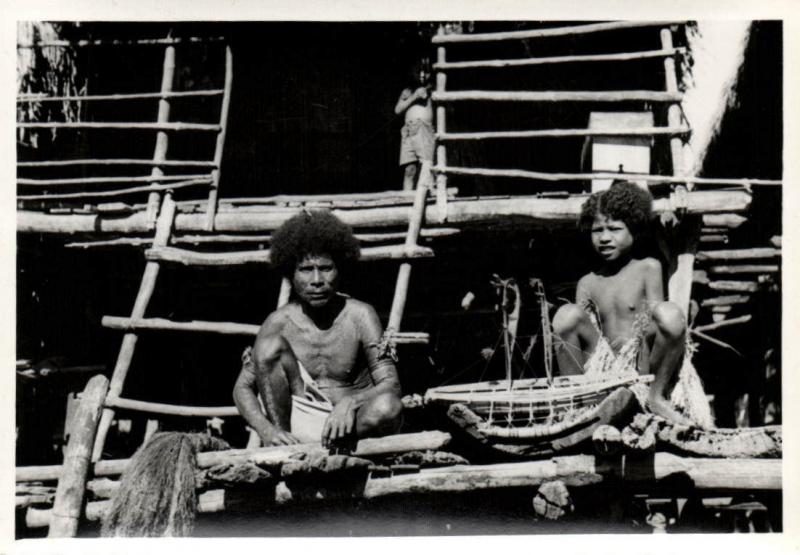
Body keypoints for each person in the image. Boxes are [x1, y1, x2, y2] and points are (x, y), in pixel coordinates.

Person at [233, 211, 403, 447]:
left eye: (326, 268)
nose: (317, 280)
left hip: (353, 425)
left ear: (340, 269)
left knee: (389, 407)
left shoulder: (360, 315)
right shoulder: (278, 322)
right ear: (291, 274)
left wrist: (349, 403)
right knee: (269, 346)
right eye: (305, 269)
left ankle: (336, 449)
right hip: (297, 426)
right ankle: (285, 448)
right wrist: (267, 430)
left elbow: (391, 384)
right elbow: (242, 388)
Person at [551, 181, 713, 428]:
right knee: (565, 315)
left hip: (641, 365)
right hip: (603, 368)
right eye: (598, 230)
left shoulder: (648, 267)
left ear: (634, 231)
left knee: (669, 313)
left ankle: (656, 397)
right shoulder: (588, 282)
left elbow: (656, 323)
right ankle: (573, 402)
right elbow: (582, 338)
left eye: (615, 229)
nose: (605, 237)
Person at [395, 60, 435, 191]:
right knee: (409, 169)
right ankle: (407, 201)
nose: (422, 75)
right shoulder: (407, 91)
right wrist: (414, 97)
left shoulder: (433, 90)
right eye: (419, 71)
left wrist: (428, 92)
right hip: (408, 131)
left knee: (427, 167)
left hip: (424, 129)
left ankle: (431, 198)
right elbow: (397, 110)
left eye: (426, 72)